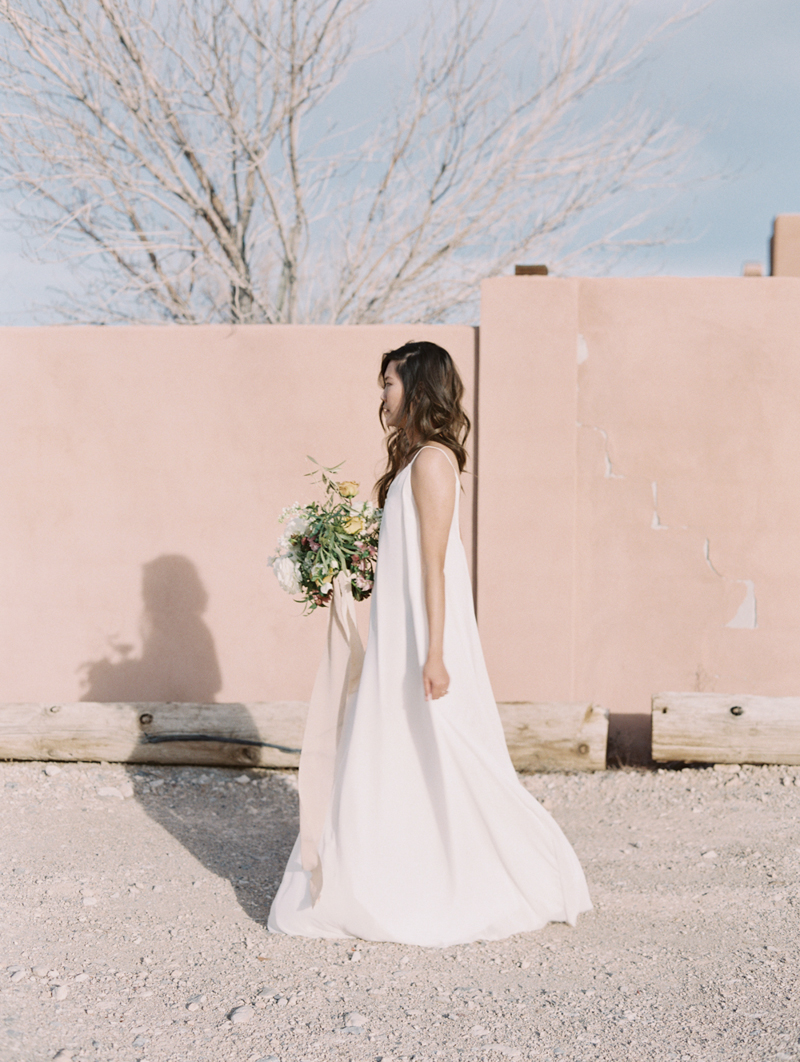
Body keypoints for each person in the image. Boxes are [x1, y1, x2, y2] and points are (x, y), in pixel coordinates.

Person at [268, 341, 591, 946]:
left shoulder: (435, 462)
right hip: (399, 630)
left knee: (445, 747)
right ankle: (388, 872)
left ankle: (510, 870)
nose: (382, 396)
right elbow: (401, 557)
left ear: (416, 389)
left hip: (423, 636)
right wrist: (341, 565)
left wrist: (435, 654)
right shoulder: (413, 463)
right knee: (393, 748)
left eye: (389, 383)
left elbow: (436, 567)